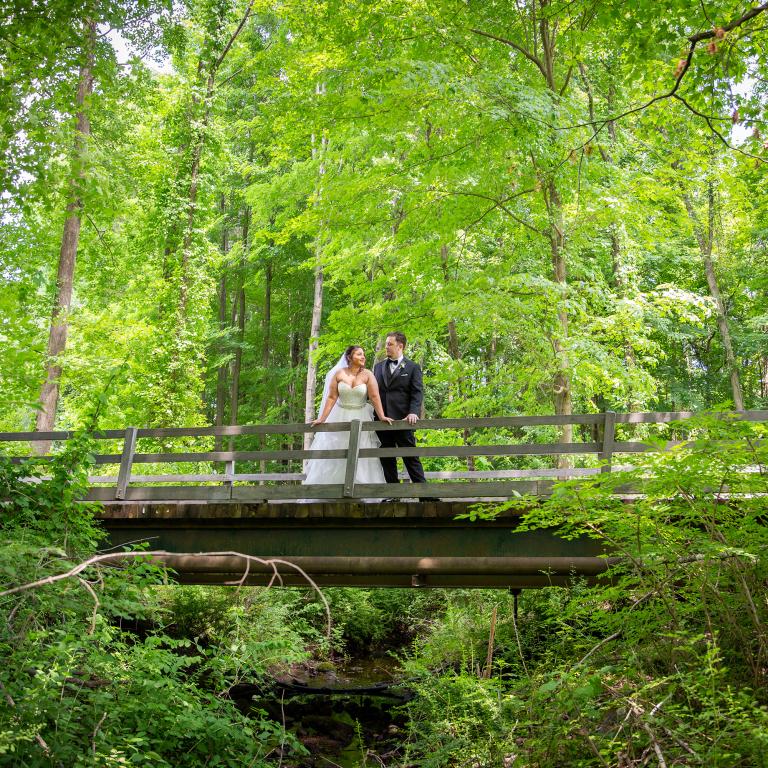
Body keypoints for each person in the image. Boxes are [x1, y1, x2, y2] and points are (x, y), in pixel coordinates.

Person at [302, 345, 393, 491]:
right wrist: (322, 418)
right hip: (340, 416)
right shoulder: (338, 374)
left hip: (360, 416)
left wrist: (381, 415)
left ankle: (362, 489)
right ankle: (331, 490)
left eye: (363, 354)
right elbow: (332, 397)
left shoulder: (368, 375)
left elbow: (375, 397)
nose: (363, 357)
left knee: (361, 451)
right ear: (349, 357)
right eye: (359, 354)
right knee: (338, 450)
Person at [373, 332, 427, 495]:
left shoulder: (412, 367)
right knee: (387, 458)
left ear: (400, 346)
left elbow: (417, 393)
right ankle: (393, 495)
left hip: (404, 420)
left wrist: (413, 412)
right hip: (383, 421)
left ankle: (424, 494)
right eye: (386, 344)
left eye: (389, 344)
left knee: (410, 457)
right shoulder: (378, 367)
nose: (386, 347)